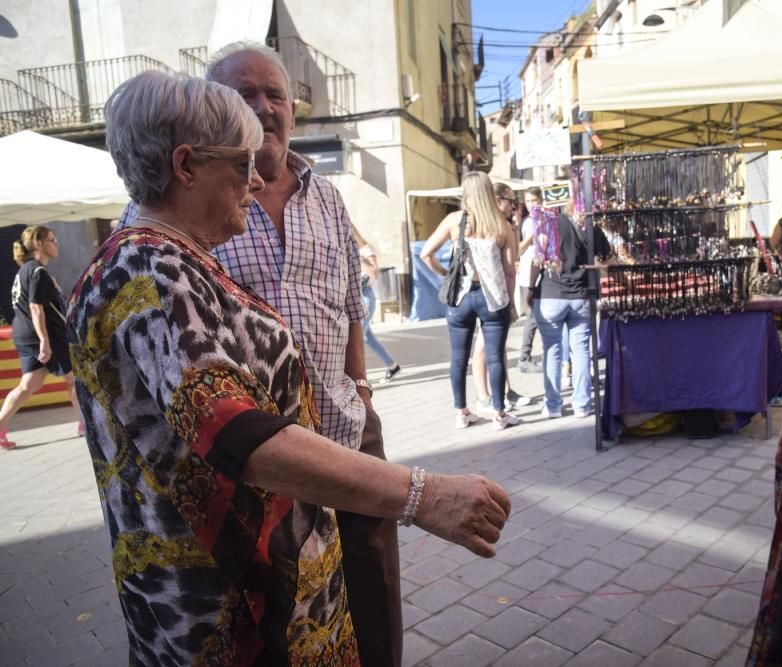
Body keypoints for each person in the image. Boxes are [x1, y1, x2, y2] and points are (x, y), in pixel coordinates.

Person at [74, 70, 510, 666]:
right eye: (241, 163)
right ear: (186, 166)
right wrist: (421, 495)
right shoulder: (150, 273)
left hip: (262, 592)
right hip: (232, 614)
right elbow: (237, 434)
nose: (255, 180)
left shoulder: (172, 260)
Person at [116, 42, 404, 667]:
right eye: (243, 97)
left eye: (274, 94)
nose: (263, 108)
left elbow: (349, 300)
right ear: (187, 161)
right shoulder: (152, 248)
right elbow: (227, 425)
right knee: (285, 606)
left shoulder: (324, 196)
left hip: (338, 425)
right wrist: (425, 494)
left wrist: (359, 387)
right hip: (251, 481)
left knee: (365, 591)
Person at [420, 172, 521, 430]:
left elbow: (425, 254)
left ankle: (462, 412)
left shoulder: (455, 221)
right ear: (489, 192)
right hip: (493, 299)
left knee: (458, 358)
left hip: (461, 297)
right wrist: (510, 303)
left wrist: (446, 275)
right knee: (496, 356)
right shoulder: (502, 225)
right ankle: (499, 414)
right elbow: (510, 270)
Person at [0, 227, 82, 449]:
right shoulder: (38, 272)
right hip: (46, 336)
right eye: (52, 240)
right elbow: (35, 307)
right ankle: (85, 423)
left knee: (28, 385)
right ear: (38, 244)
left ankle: (0, 426)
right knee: (74, 379)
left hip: (24, 335)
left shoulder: (24, 271)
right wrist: (44, 340)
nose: (57, 244)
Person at [527, 203, 612, 419]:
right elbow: (605, 260)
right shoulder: (592, 228)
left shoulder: (550, 224)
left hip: (550, 294)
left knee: (552, 350)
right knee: (581, 350)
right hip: (581, 296)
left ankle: (553, 405)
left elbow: (537, 261)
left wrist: (529, 289)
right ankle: (582, 404)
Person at [470, 182, 531, 412]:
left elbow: (512, 259)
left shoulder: (502, 225)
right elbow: (509, 267)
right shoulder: (483, 225)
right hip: (485, 295)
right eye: (510, 201)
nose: (513, 206)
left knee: (497, 345)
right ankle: (484, 396)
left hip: (495, 294)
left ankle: (504, 391)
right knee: (484, 345)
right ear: (497, 199)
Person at [351, 224, 401, 383]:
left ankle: (359, 379)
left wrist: (356, 257)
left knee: (357, 340)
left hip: (365, 295)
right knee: (367, 338)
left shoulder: (365, 250)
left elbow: (374, 273)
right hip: (355, 296)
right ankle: (392, 366)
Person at [515, 187, 544, 373]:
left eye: (534, 200)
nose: (532, 204)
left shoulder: (548, 219)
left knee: (544, 317)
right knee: (532, 318)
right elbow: (518, 250)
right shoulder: (524, 224)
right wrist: (532, 237)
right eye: (528, 201)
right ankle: (524, 357)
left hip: (545, 274)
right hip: (528, 276)